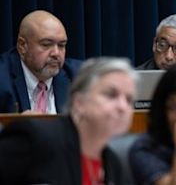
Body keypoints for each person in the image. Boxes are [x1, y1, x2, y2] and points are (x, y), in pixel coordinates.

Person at [0, 57, 137, 184]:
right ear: (79, 103)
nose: (123, 107)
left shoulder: (113, 163)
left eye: (129, 100)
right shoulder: (36, 139)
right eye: (111, 95)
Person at [0, 10, 82, 113]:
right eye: (46, 44)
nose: (56, 53)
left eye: (61, 45)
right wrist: (16, 126)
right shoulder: (3, 79)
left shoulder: (79, 77)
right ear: (22, 46)